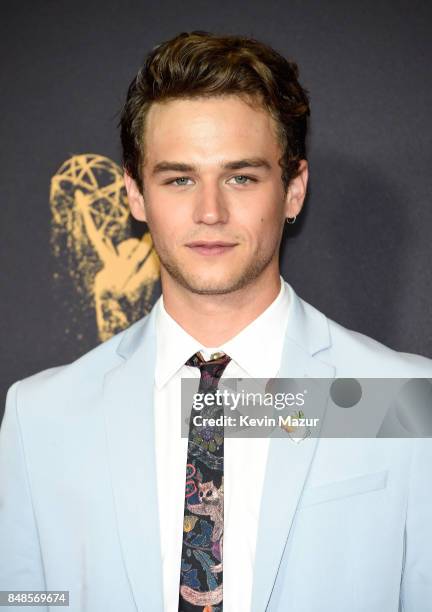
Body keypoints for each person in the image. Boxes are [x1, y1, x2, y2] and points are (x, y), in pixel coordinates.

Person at [1, 30, 431, 612]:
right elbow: (25, 600)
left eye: (241, 177)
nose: (210, 212)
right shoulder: (42, 416)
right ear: (134, 193)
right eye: (179, 179)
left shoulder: (402, 398)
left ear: (294, 190)